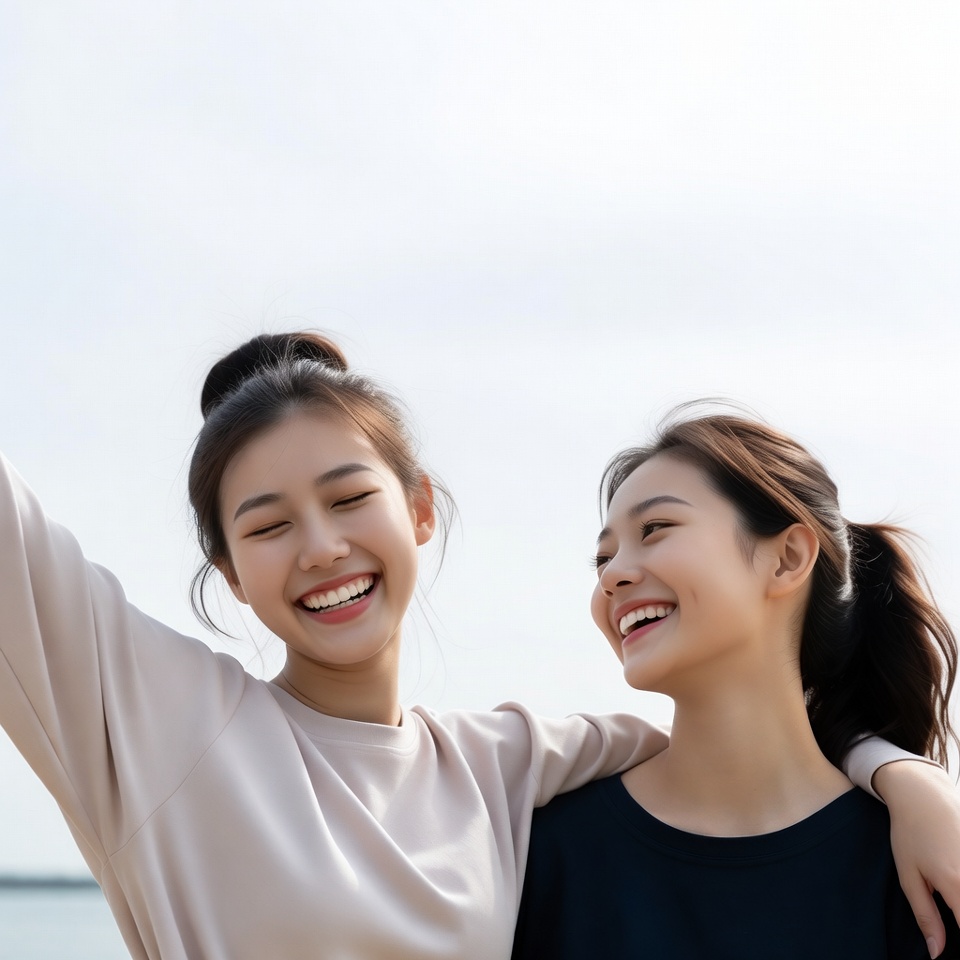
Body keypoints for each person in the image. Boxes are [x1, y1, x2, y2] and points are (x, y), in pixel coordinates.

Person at [0, 335, 955, 960]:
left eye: (346, 499)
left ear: (417, 510)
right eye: (267, 526)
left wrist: (897, 774)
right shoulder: (165, 724)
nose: (321, 547)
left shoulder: (503, 768)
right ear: (229, 571)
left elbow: (742, 753)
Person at [512, 409, 960, 959]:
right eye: (602, 558)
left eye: (655, 530)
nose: (611, 575)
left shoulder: (924, 868)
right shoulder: (543, 856)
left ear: (788, 558)